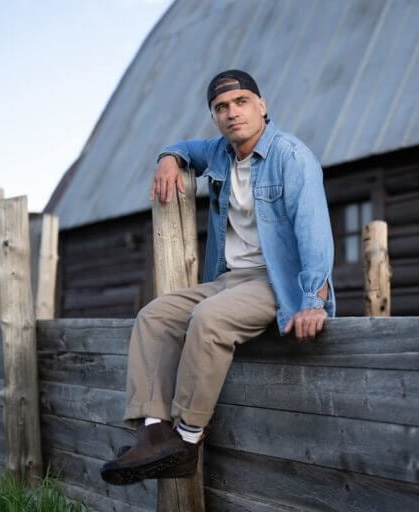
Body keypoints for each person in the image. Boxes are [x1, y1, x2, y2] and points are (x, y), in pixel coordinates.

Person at [100, 69, 335, 485]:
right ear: (214, 116)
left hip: (277, 282)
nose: (232, 113)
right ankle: (154, 434)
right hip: (229, 279)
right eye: (221, 107)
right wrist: (168, 159)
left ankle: (186, 443)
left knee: (208, 320)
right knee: (154, 316)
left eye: (241, 102)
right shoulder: (221, 152)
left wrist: (313, 301)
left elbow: (314, 232)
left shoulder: (292, 157)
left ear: (262, 106)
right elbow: (184, 147)